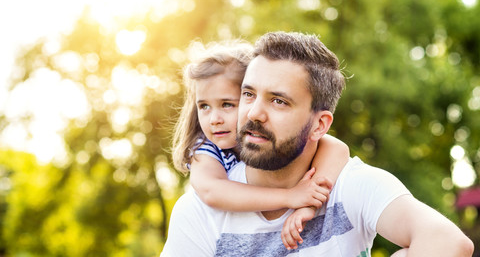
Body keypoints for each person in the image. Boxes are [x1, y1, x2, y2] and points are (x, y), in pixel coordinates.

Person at [162, 32, 474, 256]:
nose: (254, 113)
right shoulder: (199, 212)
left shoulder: (350, 184)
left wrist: (308, 201)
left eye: (279, 101)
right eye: (248, 94)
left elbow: (449, 243)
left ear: (319, 125)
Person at [171, 40, 350, 249]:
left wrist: (309, 204)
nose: (214, 119)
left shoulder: (262, 132)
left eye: (227, 104)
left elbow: (337, 148)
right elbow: (212, 191)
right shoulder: (206, 149)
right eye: (204, 106)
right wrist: (290, 197)